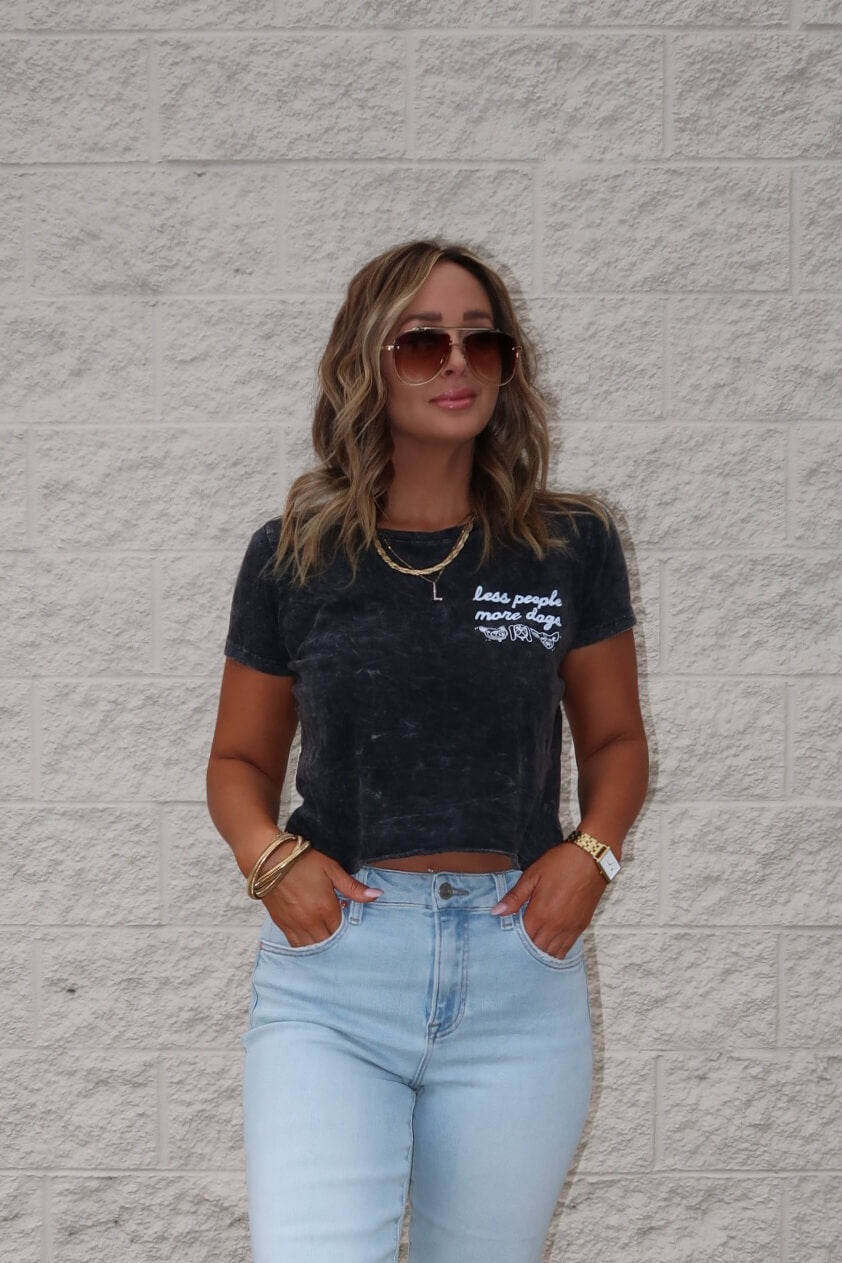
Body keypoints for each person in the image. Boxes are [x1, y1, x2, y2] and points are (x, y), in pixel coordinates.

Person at [206, 238, 649, 1263]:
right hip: (336, 979)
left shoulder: (566, 547)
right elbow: (237, 763)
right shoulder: (294, 554)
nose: (456, 363)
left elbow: (616, 739)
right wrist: (271, 863)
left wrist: (591, 856)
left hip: (516, 975)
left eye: (480, 342)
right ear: (365, 362)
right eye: (421, 342)